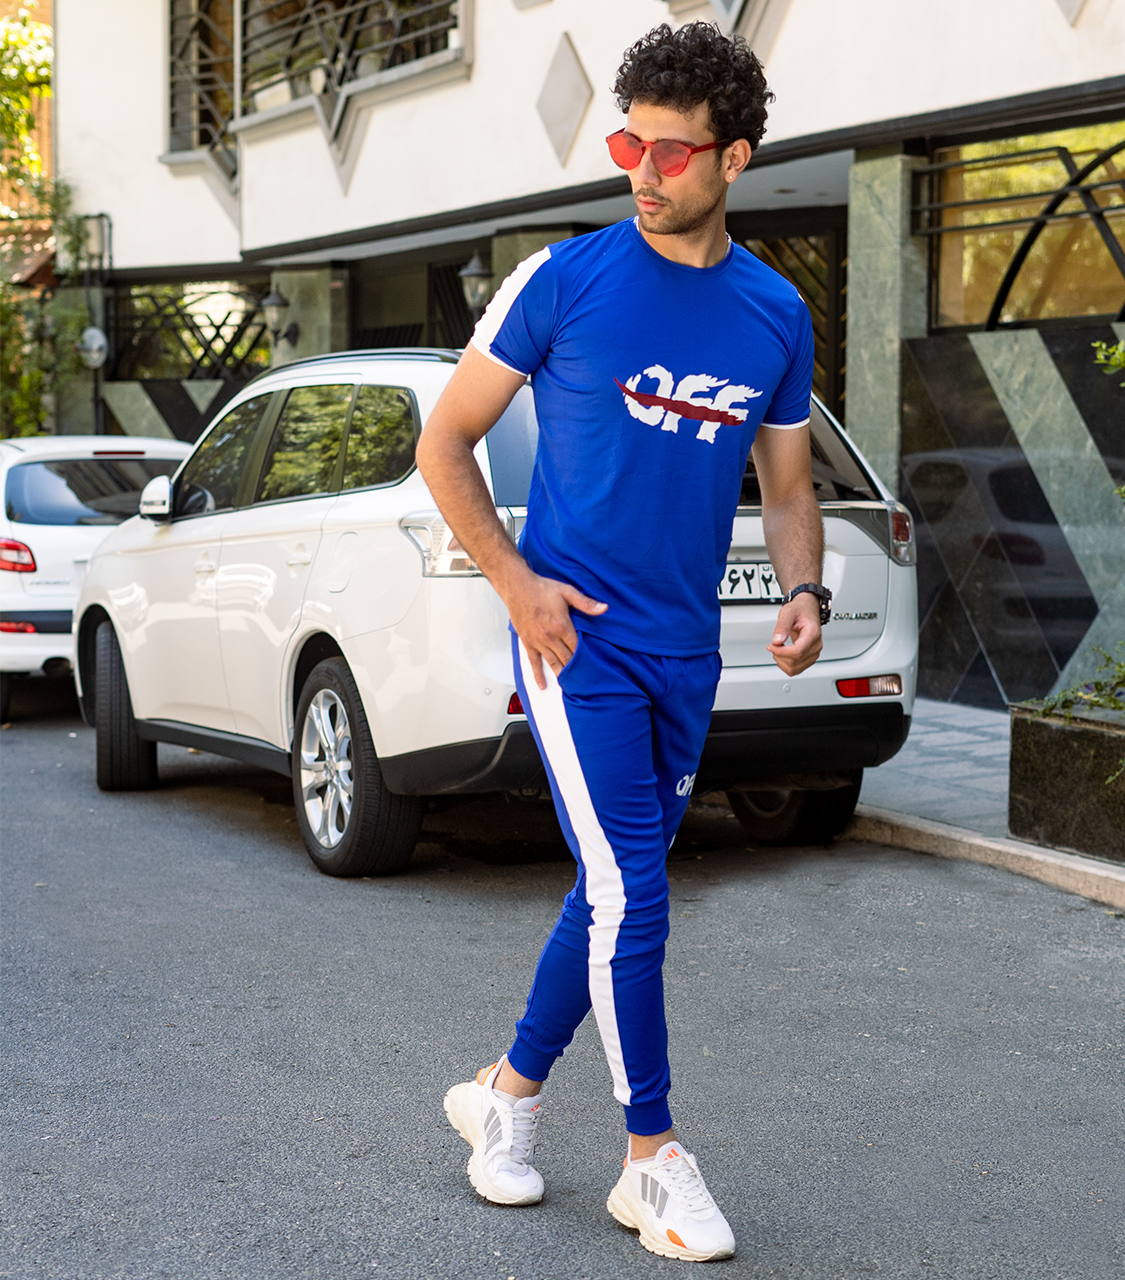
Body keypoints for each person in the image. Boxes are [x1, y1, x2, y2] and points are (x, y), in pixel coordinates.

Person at [417, 21, 828, 1264]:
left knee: (611, 882)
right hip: (574, 640)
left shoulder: (773, 313)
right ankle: (650, 1157)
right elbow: (443, 444)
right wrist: (515, 582)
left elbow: (788, 486)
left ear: (733, 158)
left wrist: (802, 588)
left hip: (684, 653)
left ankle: (504, 1092)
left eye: (670, 150)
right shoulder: (562, 279)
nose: (642, 171)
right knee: (631, 890)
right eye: (626, 144)